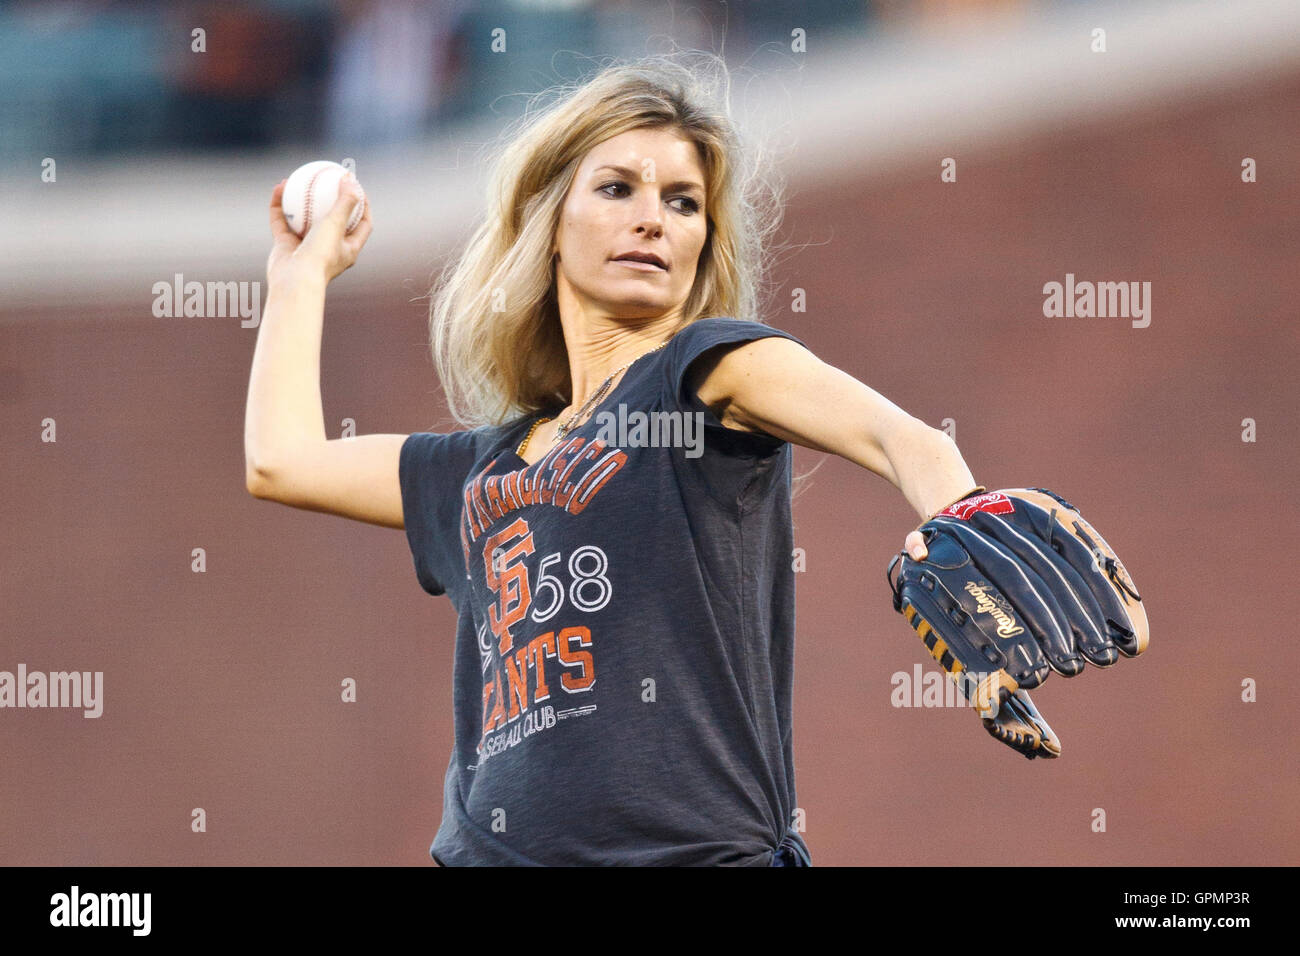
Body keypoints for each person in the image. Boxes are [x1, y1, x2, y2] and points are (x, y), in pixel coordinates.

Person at [244, 55, 979, 866]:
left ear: (704, 240)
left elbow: (907, 438)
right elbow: (281, 461)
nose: (654, 219)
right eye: (618, 188)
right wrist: (299, 274)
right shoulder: (473, 471)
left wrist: (966, 530)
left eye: (683, 201)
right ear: (550, 220)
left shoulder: (701, 372)